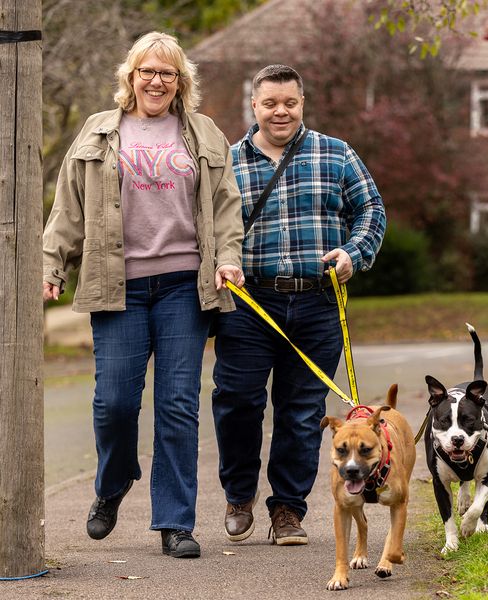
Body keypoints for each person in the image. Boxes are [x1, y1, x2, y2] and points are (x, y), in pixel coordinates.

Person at [42, 31, 244, 559]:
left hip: (184, 285)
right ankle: (113, 483)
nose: (156, 81)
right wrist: (52, 264)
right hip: (118, 284)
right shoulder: (99, 131)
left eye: (168, 73)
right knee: (114, 404)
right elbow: (69, 205)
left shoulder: (202, 133)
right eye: (147, 71)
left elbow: (225, 205)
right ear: (130, 77)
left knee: (178, 405)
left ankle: (175, 522)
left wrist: (228, 258)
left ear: (181, 82)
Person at [212, 64, 386, 546]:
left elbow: (371, 208)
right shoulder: (227, 162)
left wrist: (354, 252)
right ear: (254, 106)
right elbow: (206, 226)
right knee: (237, 403)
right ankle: (239, 494)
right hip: (249, 304)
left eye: (289, 103)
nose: (280, 112)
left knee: (303, 411)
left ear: (302, 103)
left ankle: (288, 510)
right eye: (270, 103)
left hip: (317, 301)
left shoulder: (336, 153)